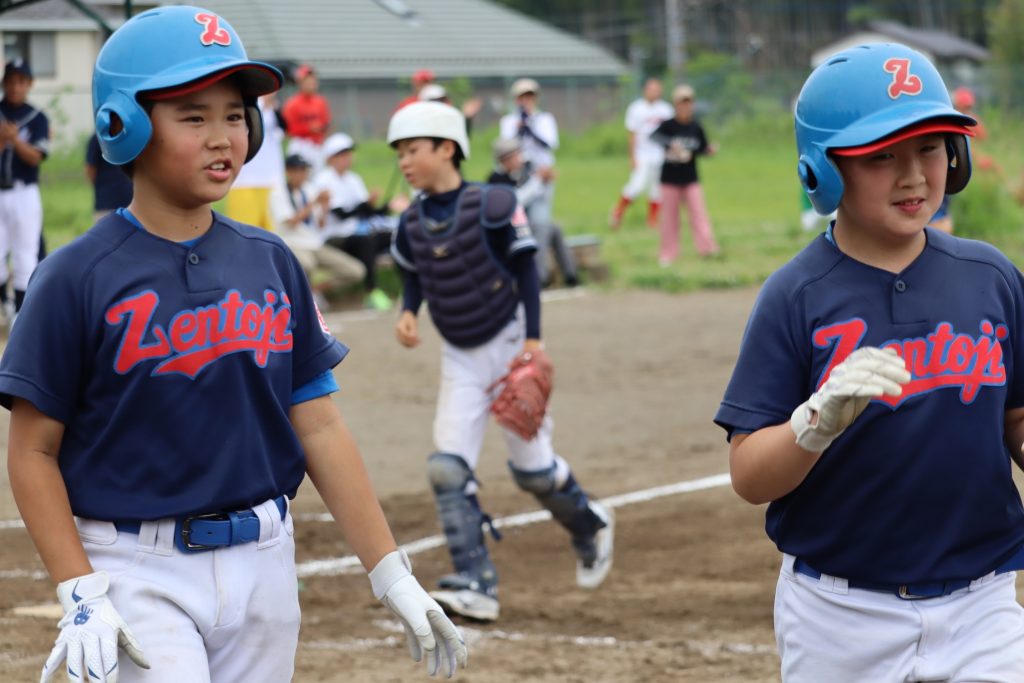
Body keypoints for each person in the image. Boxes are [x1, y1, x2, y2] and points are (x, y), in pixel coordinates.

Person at [0, 7, 466, 682]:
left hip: (266, 565)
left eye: (235, 115)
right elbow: (32, 451)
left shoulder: (270, 260)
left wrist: (390, 571)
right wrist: (80, 590)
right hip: (134, 569)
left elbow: (319, 424)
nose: (223, 137)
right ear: (123, 124)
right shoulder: (75, 276)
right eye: (193, 116)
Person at [715, 43, 1024, 683]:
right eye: (882, 155)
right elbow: (749, 475)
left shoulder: (990, 277)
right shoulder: (796, 296)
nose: (913, 175)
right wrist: (812, 425)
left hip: (983, 604)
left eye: (930, 148)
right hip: (839, 614)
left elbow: (1016, 420)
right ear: (823, 171)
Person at [386, 101, 614, 622]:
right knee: (447, 467)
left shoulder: (493, 203)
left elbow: (526, 271)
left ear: (447, 149)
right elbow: (415, 275)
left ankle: (591, 525)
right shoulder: (411, 222)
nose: (404, 161)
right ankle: (476, 582)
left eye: (413, 150)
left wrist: (534, 340)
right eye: (399, 153)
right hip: (459, 356)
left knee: (533, 473)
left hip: (510, 345)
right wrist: (407, 312)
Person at [269, 153, 366, 308]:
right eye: (298, 170)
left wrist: (325, 207)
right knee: (308, 264)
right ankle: (303, 299)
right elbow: (292, 222)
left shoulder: (309, 189)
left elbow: (320, 225)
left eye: (304, 170)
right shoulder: (278, 193)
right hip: (292, 243)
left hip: (314, 243)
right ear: (288, 171)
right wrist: (315, 202)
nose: (302, 174)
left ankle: (314, 290)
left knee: (356, 271)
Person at [313, 132, 396, 311]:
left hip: (356, 233)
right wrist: (366, 204)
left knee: (396, 236)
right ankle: (372, 292)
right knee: (366, 241)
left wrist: (388, 206)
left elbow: (366, 212)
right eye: (342, 154)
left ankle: (414, 288)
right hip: (333, 237)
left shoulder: (353, 179)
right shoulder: (323, 180)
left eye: (348, 153)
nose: (347, 158)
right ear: (330, 158)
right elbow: (342, 214)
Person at [488, 137, 578, 287]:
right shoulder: (496, 179)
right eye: (515, 156)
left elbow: (540, 197)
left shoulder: (523, 171)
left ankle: (571, 275)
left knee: (554, 228)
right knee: (540, 228)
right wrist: (537, 180)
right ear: (504, 160)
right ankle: (540, 277)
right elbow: (515, 200)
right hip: (509, 226)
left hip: (526, 221)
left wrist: (546, 182)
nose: (519, 159)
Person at [0, 58, 49, 327]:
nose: (15, 87)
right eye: (11, 81)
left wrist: (14, 141)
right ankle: (5, 302)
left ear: (29, 84)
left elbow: (36, 157)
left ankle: (20, 313)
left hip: (24, 192)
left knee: (25, 253)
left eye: (21, 81)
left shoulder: (37, 117)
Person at [499, 78, 561, 286]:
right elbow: (506, 151)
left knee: (540, 224)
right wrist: (520, 129)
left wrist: (530, 128)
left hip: (541, 176)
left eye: (529, 96)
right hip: (518, 178)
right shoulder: (508, 122)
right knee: (519, 226)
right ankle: (519, 273)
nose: (525, 101)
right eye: (521, 97)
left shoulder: (544, 119)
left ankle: (539, 275)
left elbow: (549, 144)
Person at [651, 84, 719, 265]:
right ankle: (668, 254)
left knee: (698, 214)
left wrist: (709, 151)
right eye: (682, 102)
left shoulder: (695, 126)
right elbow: (654, 137)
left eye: (688, 102)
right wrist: (670, 144)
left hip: (690, 178)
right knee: (669, 218)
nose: (685, 106)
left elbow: (702, 147)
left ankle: (707, 249)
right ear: (675, 104)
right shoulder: (668, 125)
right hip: (670, 178)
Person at [609, 77, 673, 230]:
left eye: (657, 90)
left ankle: (652, 219)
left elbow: (670, 134)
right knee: (637, 185)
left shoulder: (666, 109)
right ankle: (618, 212)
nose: (655, 93)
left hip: (660, 153)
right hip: (642, 153)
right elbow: (632, 135)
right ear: (645, 90)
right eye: (652, 89)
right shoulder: (636, 108)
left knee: (657, 188)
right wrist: (632, 157)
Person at [224, 93, 285, 230]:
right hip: (245, 181)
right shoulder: (246, 104)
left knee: (271, 232)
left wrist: (272, 108)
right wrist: (264, 104)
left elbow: (284, 130)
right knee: (244, 230)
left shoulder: (274, 109)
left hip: (271, 180)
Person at [282, 63, 330, 169]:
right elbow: (287, 129)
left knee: (318, 175)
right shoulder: (292, 104)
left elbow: (326, 124)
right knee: (299, 174)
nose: (311, 83)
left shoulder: (320, 102)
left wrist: (321, 133)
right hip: (300, 144)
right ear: (300, 83)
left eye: (312, 80)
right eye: (307, 80)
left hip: (317, 144)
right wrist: (308, 129)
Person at [85, 132, 133, 221]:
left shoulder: (129, 135)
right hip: (106, 205)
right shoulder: (98, 138)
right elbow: (90, 169)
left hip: (130, 205)